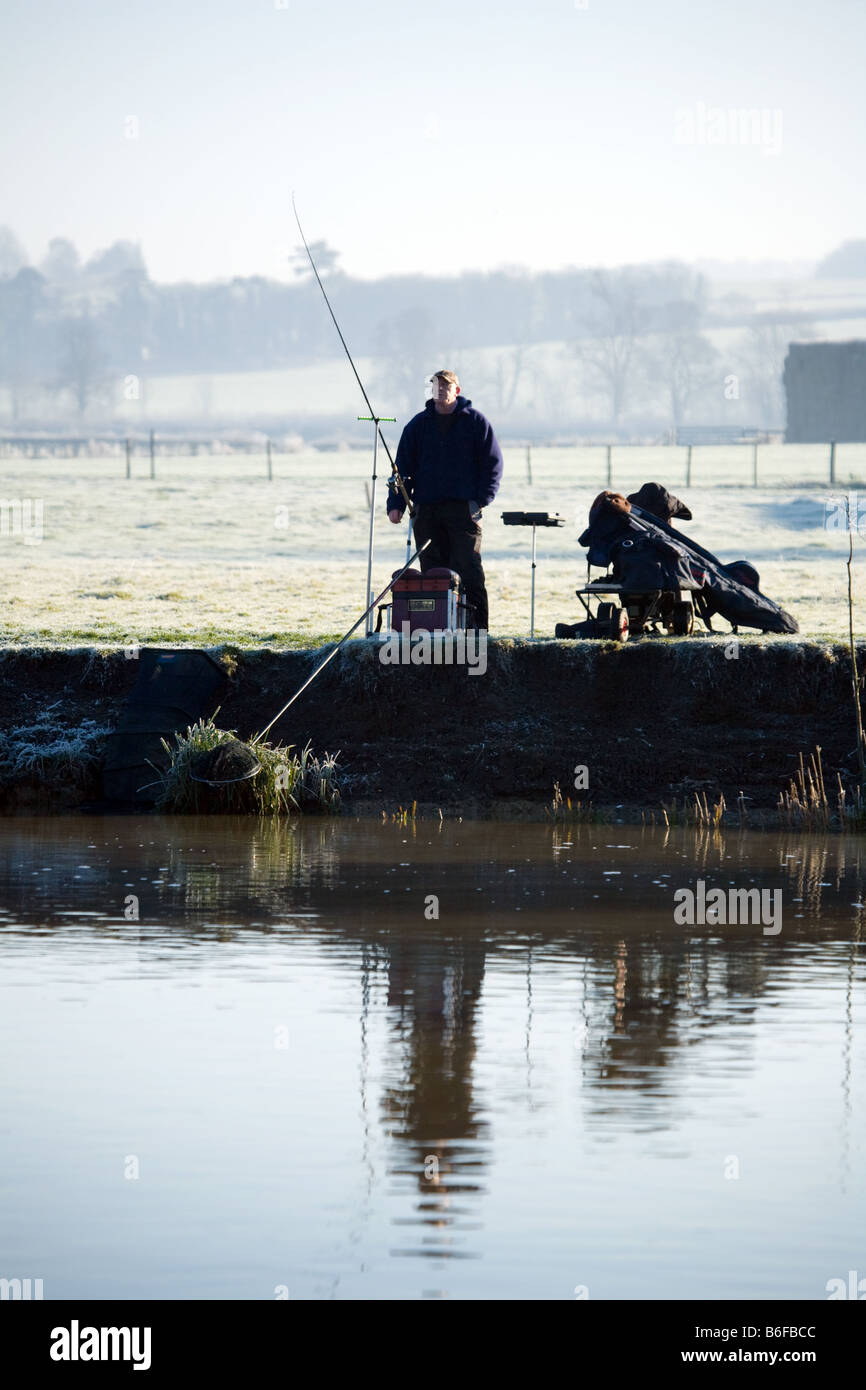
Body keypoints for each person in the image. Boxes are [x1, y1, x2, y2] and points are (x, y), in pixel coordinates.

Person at [386, 369, 503, 630]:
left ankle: (476, 634)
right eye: (436, 385)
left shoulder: (475, 422)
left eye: (446, 386)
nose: (440, 390)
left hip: (463, 511)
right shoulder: (417, 425)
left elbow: (493, 465)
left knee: (469, 572)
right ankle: (436, 629)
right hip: (426, 511)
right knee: (432, 576)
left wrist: (480, 501)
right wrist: (395, 506)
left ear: (457, 391)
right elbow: (401, 468)